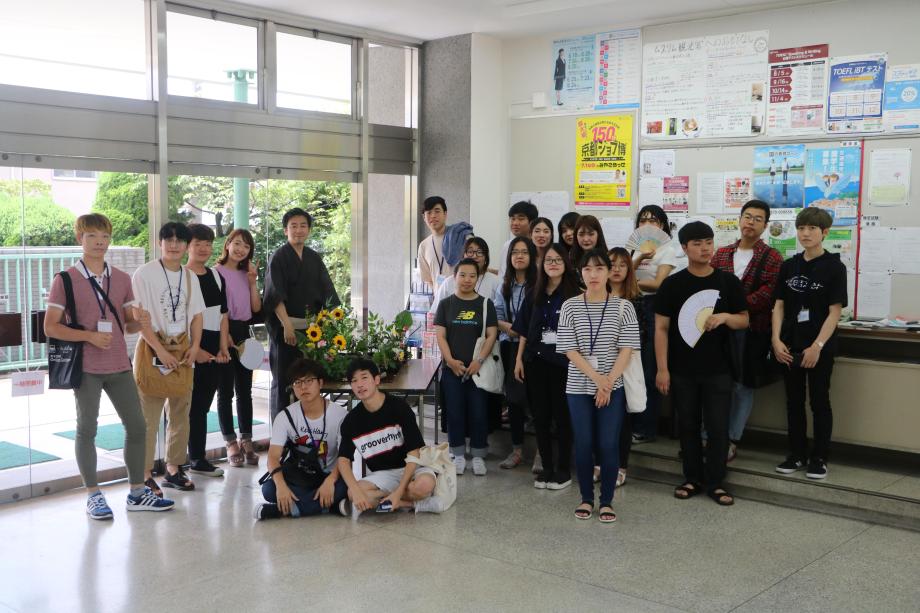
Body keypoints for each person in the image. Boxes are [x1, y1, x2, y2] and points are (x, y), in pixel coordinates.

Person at [44, 214, 174, 517]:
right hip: (86, 367)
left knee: (138, 427)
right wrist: (89, 336)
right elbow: (51, 327)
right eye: (91, 236)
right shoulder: (65, 280)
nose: (99, 242)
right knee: (86, 429)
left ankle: (137, 493)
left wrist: (140, 321)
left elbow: (127, 326)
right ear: (80, 239)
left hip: (119, 364)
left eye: (104, 236)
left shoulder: (122, 279)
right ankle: (93, 495)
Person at [655, 222, 749, 507]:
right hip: (682, 369)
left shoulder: (728, 282)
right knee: (688, 425)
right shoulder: (672, 284)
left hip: (719, 369)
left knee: (719, 427)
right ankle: (692, 478)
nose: (705, 248)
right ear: (684, 248)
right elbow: (661, 328)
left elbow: (744, 320)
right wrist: (662, 369)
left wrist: (724, 317)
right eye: (697, 243)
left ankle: (716, 482)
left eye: (708, 242)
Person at [557, 248, 640, 523]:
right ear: (580, 273)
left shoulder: (623, 307)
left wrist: (607, 383)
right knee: (583, 443)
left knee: (608, 443)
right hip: (578, 386)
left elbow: (627, 349)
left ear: (609, 272)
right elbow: (569, 349)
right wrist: (597, 380)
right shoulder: (570, 306)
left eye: (599, 268)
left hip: (613, 385)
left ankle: (606, 501)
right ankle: (585, 498)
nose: (593, 274)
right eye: (587, 269)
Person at [772, 207, 846, 480]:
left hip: (819, 346)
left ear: (824, 232)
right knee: (793, 402)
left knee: (819, 401)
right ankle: (797, 454)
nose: (805, 233)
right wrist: (775, 339)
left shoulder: (835, 267)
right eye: (801, 228)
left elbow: (834, 312)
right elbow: (779, 306)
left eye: (812, 228)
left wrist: (817, 346)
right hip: (789, 344)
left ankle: (819, 457)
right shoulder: (789, 265)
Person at [132, 221, 205, 495]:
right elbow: (139, 317)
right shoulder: (144, 274)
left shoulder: (190, 277)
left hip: (183, 350)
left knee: (180, 413)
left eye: (180, 240)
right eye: (169, 239)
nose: (174, 245)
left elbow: (197, 316)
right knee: (147, 417)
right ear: (160, 243)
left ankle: (174, 468)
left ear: (186, 246)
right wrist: (160, 350)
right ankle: (144, 474)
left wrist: (195, 346)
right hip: (153, 348)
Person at [709, 200, 783, 461]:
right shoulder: (722, 254)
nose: (751, 222)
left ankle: (731, 439)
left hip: (753, 331)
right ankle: (711, 436)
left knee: (743, 386)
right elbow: (710, 285)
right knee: (716, 383)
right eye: (747, 216)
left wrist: (734, 309)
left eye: (758, 219)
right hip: (719, 330)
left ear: (765, 226)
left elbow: (768, 294)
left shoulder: (772, 257)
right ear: (740, 220)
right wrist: (725, 312)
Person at [263, 207, 340, 421]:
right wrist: (287, 325)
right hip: (285, 329)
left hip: (313, 331)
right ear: (285, 230)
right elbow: (274, 294)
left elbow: (328, 293)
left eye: (303, 226)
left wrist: (329, 325)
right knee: (284, 380)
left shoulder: (313, 257)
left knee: (310, 379)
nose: (298, 230)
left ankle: (308, 425)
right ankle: (281, 430)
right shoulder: (278, 257)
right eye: (293, 226)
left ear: (309, 230)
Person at [513, 243, 580, 490]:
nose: (553, 264)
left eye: (558, 260)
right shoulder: (534, 293)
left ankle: (563, 470)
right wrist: (519, 359)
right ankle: (547, 468)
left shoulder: (575, 295)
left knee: (562, 418)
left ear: (566, 264)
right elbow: (523, 330)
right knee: (540, 417)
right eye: (549, 260)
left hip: (564, 364)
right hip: (535, 362)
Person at [337, 358, 437, 514]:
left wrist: (398, 491)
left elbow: (414, 452)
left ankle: (398, 499)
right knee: (353, 494)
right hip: (384, 474)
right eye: (354, 381)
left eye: (364, 378)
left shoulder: (399, 407)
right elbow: (343, 460)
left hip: (413, 466)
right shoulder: (351, 421)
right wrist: (355, 490)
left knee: (423, 485)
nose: (359, 385)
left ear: (376, 380)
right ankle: (412, 504)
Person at [254, 359, 348, 519]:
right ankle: (328, 507)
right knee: (269, 489)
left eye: (309, 381)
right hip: (300, 475)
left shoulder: (340, 415)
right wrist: (281, 486)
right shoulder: (285, 416)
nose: (303, 387)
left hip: (329, 475)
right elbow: (273, 457)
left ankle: (286, 510)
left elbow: (345, 456)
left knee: (344, 487)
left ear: (320, 383)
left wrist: (331, 480)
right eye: (297, 382)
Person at [434, 258, 499, 476]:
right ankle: (458, 454)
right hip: (452, 369)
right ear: (455, 277)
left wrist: (479, 360)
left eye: (472, 276)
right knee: (454, 412)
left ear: (477, 278)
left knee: (479, 412)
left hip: (477, 369)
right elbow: (440, 336)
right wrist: (450, 361)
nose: (467, 280)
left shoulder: (485, 304)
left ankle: (479, 455)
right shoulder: (446, 304)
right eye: (462, 275)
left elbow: (491, 335)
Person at [184, 224, 230, 478]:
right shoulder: (181, 276)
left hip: (213, 345)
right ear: (187, 247)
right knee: (183, 407)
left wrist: (222, 347)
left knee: (202, 406)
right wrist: (195, 349)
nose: (203, 248)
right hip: (188, 347)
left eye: (207, 244)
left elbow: (223, 315)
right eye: (197, 243)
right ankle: (176, 461)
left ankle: (197, 459)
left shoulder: (215, 275)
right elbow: (180, 319)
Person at [215, 229, 262, 467]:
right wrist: (224, 335)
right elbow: (214, 309)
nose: (240, 249)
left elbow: (256, 308)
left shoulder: (247, 274)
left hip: (244, 331)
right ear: (227, 244)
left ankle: (246, 439)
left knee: (245, 390)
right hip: (223, 330)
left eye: (246, 246)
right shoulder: (215, 272)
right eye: (237, 243)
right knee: (225, 391)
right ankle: (230, 442)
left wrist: (253, 282)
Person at [631, 205, 676, 445]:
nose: (648, 224)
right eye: (643, 220)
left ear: (663, 225)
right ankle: (631, 424)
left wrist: (630, 282)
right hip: (630, 307)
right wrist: (638, 259)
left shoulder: (668, 249)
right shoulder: (632, 248)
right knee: (629, 370)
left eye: (654, 220)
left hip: (652, 309)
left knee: (649, 372)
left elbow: (659, 284)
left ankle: (646, 428)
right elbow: (618, 274)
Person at [494, 237, 536, 470]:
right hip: (510, 345)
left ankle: (541, 453)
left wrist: (522, 330)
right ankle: (517, 450)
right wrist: (511, 328)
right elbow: (497, 316)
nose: (519, 256)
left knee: (538, 400)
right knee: (514, 400)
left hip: (534, 348)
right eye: (515, 252)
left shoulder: (538, 285)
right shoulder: (505, 285)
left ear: (532, 256)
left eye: (524, 252)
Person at [608, 247, 648, 488]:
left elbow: (640, 336)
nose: (616, 269)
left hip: (625, 365)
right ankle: (600, 463)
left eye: (623, 265)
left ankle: (621, 466)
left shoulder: (636, 299)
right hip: (597, 366)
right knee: (600, 417)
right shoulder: (594, 295)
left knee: (621, 420)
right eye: (612, 264)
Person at [430, 236, 501, 313]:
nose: (474, 256)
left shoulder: (496, 283)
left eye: (480, 252)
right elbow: (434, 313)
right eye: (470, 252)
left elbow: (499, 313)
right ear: (463, 255)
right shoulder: (449, 282)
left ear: (486, 258)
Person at [417, 196, 453, 294]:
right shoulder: (423, 246)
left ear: (445, 214)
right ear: (424, 217)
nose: (433, 216)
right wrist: (437, 294)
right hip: (439, 300)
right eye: (429, 212)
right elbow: (428, 279)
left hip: (461, 298)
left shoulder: (458, 237)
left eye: (437, 211)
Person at [498, 201, 539, 279]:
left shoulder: (539, 246)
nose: (515, 223)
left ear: (532, 222)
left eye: (521, 219)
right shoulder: (507, 245)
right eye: (512, 219)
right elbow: (503, 274)